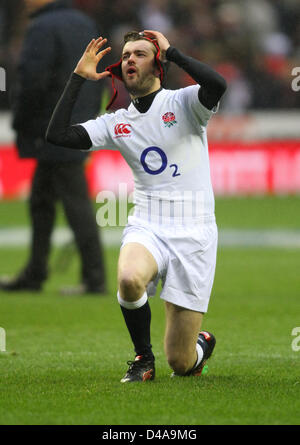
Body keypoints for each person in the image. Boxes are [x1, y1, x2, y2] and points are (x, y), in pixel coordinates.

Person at [46, 30, 227, 381]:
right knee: (129, 279)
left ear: (158, 65)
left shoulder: (185, 104)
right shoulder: (117, 123)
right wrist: (78, 78)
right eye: (126, 54)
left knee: (181, 362)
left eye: (140, 54)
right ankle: (143, 358)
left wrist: (173, 50)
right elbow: (57, 135)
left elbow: (217, 84)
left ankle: (200, 346)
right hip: (148, 223)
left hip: (195, 232)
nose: (130, 59)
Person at [0, 0, 107, 295]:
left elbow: (32, 81)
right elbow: (98, 78)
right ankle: (35, 272)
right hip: (77, 124)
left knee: (74, 203)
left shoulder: (41, 27)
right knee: (42, 201)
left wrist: (21, 120)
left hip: (50, 128)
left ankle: (95, 278)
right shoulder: (85, 24)